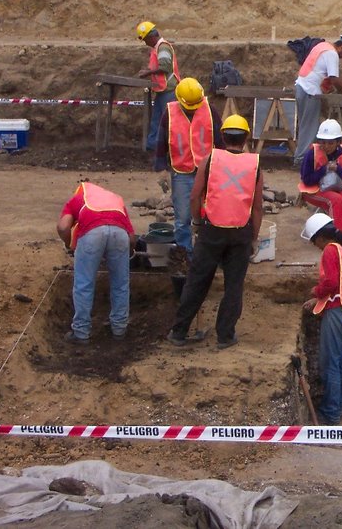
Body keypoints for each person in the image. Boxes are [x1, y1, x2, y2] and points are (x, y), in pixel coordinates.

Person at [168, 114, 263, 349]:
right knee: (234, 285)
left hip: (211, 230)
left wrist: (198, 223)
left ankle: (179, 332)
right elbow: (257, 206)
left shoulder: (210, 160)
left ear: (222, 136)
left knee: (197, 281)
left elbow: (195, 195)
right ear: (245, 138)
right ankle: (225, 335)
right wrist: (253, 238)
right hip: (241, 231)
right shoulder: (255, 164)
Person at [300, 213, 342, 425]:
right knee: (341, 360)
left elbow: (332, 283)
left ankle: (331, 411)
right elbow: (341, 285)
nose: (314, 245)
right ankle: (339, 407)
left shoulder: (329, 250)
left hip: (337, 312)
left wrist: (316, 291)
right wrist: (317, 300)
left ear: (320, 237)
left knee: (330, 364)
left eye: (313, 240)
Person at [56, 182, 136, 343]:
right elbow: (132, 238)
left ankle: (81, 332)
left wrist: (69, 245)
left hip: (92, 233)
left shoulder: (78, 198)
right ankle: (119, 329)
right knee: (120, 283)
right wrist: (126, 252)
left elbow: (63, 227)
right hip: (120, 235)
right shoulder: (116, 199)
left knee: (84, 283)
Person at [153, 77, 224, 254]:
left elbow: (221, 140)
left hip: (207, 170)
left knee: (210, 214)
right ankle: (185, 254)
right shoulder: (169, 113)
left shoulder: (210, 111)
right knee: (182, 217)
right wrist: (161, 168)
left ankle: (207, 252)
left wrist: (224, 165)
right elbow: (161, 140)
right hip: (181, 170)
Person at [297, 119, 342, 254]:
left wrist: (338, 169)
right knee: (335, 200)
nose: (326, 146)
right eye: (323, 142)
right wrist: (323, 170)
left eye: (330, 143)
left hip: (336, 187)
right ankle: (340, 237)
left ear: (338, 142)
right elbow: (307, 179)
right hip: (314, 190)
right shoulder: (312, 154)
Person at [292, 34, 342, 165]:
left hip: (302, 87)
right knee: (309, 126)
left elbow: (321, 74)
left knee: (306, 125)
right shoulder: (332, 53)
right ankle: (301, 160)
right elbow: (334, 77)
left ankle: (302, 157)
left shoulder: (322, 46)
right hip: (310, 91)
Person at [136, 20, 182, 152]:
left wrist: (148, 72)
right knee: (156, 121)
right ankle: (152, 149)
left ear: (151, 36)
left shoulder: (163, 47)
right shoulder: (157, 48)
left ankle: (172, 151)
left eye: (145, 39)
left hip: (169, 91)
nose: (145, 43)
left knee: (169, 123)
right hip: (162, 91)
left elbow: (165, 66)